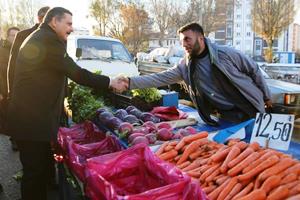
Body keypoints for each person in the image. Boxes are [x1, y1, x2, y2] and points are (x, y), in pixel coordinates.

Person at [6, 7, 127, 200]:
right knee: (33, 174)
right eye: (68, 23)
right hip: (31, 121)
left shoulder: (42, 37)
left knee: (37, 171)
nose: (71, 28)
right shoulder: (48, 40)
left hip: (32, 118)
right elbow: (76, 73)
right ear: (54, 21)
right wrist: (110, 82)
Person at [119, 22, 272, 126]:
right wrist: (129, 83)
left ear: (201, 38)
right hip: (227, 115)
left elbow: (254, 70)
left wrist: (267, 96)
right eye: (181, 41)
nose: (184, 44)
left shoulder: (226, 54)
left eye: (187, 39)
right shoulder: (185, 65)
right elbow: (159, 78)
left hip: (249, 108)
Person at [0, 27, 19, 132]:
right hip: (5, 90)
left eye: (17, 35)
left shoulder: (21, 49)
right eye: (13, 35)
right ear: (7, 37)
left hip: (18, 89)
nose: (15, 38)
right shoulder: (2, 51)